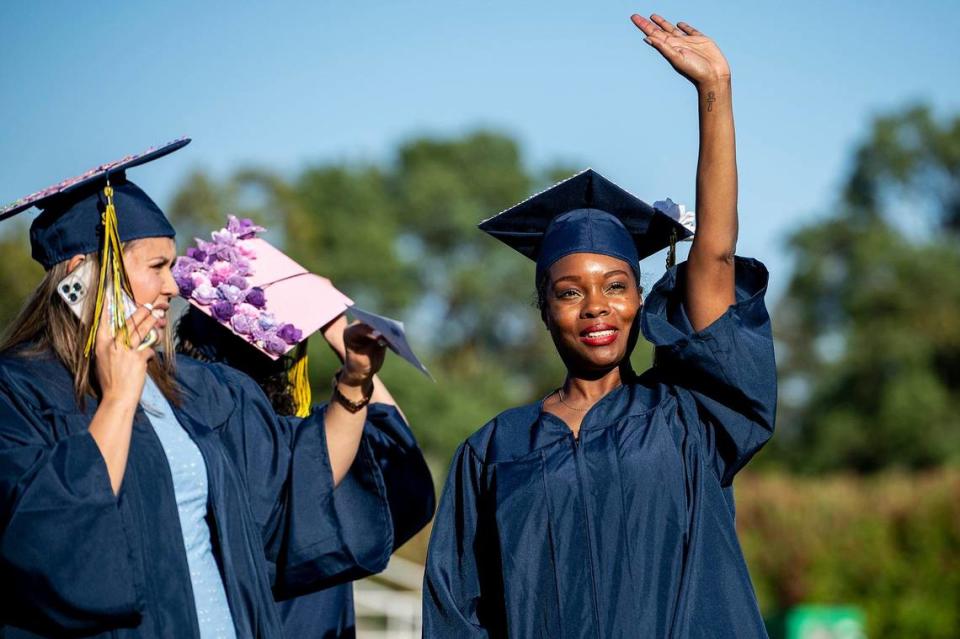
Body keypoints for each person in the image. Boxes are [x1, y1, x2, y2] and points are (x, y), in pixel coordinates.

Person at [423, 13, 776, 638]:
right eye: (569, 292)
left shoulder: (690, 420)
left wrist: (714, 91)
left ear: (641, 299)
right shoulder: (493, 451)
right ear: (543, 309)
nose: (595, 307)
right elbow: (458, 616)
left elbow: (715, 255)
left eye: (616, 287)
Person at [0, 138, 424, 638]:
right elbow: (46, 539)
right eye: (156, 266)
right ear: (82, 273)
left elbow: (296, 482)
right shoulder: (19, 392)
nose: (173, 286)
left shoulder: (196, 388)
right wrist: (117, 398)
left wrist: (354, 381)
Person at [174, 223, 435, 639]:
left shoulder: (181, 439)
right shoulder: (296, 449)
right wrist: (340, 341)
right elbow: (399, 459)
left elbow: (394, 453)